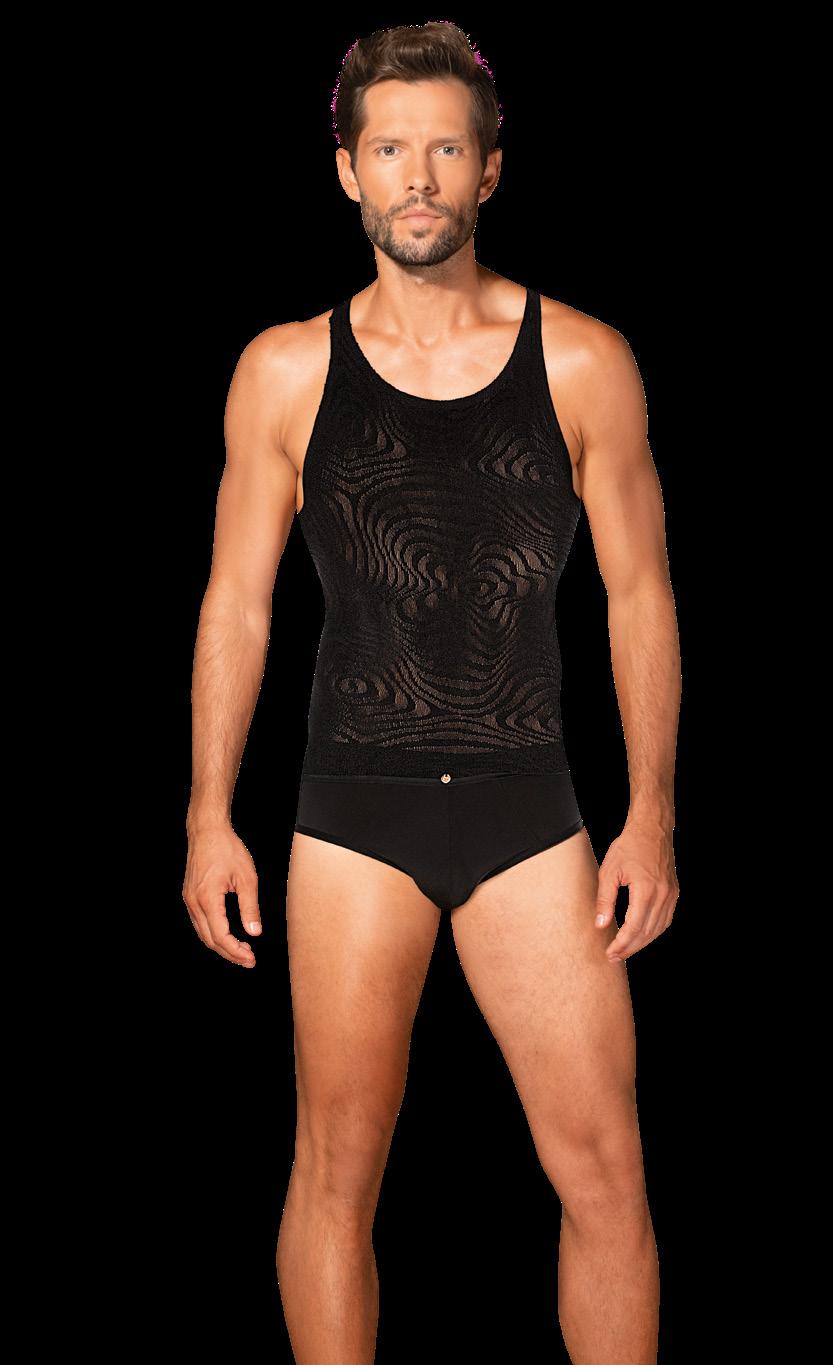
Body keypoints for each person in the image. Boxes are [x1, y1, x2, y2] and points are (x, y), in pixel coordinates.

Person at [183, 21, 680, 1365]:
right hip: (353, 811)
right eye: (392, 149)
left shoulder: (583, 360)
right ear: (348, 170)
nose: (419, 177)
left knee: (605, 1171)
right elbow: (237, 601)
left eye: (446, 150)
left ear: (489, 170)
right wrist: (208, 816)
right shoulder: (283, 370)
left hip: (531, 810)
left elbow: (639, 594)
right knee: (334, 1172)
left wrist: (650, 816)